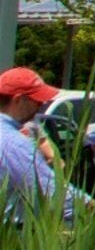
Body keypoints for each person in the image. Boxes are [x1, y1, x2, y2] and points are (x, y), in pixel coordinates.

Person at [0, 68, 79, 225]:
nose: (41, 104)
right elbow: (52, 193)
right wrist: (93, 208)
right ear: (18, 100)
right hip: (13, 236)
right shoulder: (13, 143)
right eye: (36, 100)